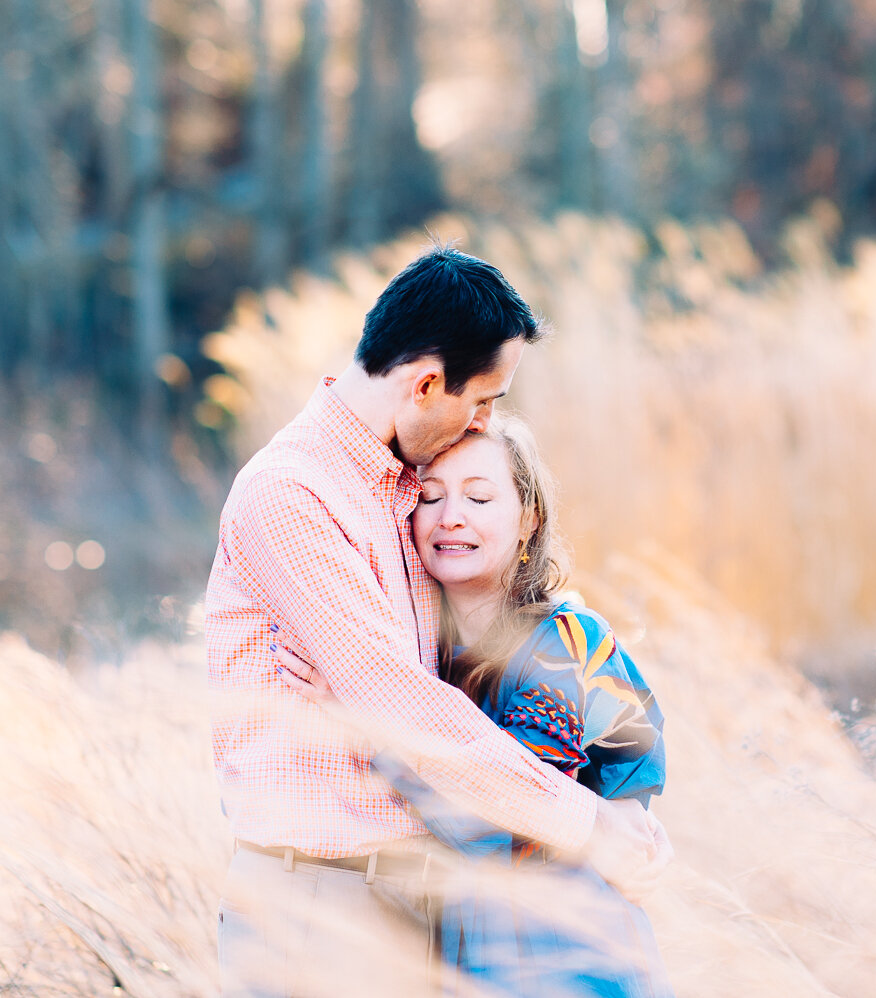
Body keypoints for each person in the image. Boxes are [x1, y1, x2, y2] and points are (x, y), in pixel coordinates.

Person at [206, 247, 670, 998]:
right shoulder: (292, 495)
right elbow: (397, 702)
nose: (484, 421)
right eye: (482, 401)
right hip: (322, 903)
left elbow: (453, 678)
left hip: (429, 904)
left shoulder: (405, 489)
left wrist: (620, 806)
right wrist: (585, 825)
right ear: (426, 383)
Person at [275, 417, 674, 997]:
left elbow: (504, 816)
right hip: (469, 952)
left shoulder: (564, 645)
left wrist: (366, 720)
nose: (449, 516)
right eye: (429, 497)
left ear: (528, 519)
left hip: (570, 954)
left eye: (479, 496)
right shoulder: (421, 654)